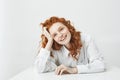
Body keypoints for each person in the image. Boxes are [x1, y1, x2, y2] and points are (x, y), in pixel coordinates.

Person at [35, 16, 105, 75]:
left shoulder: (86, 39)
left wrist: (73, 70)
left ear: (68, 27)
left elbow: (100, 65)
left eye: (61, 29)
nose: (60, 35)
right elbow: (39, 68)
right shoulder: (54, 48)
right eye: (55, 35)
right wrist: (49, 41)